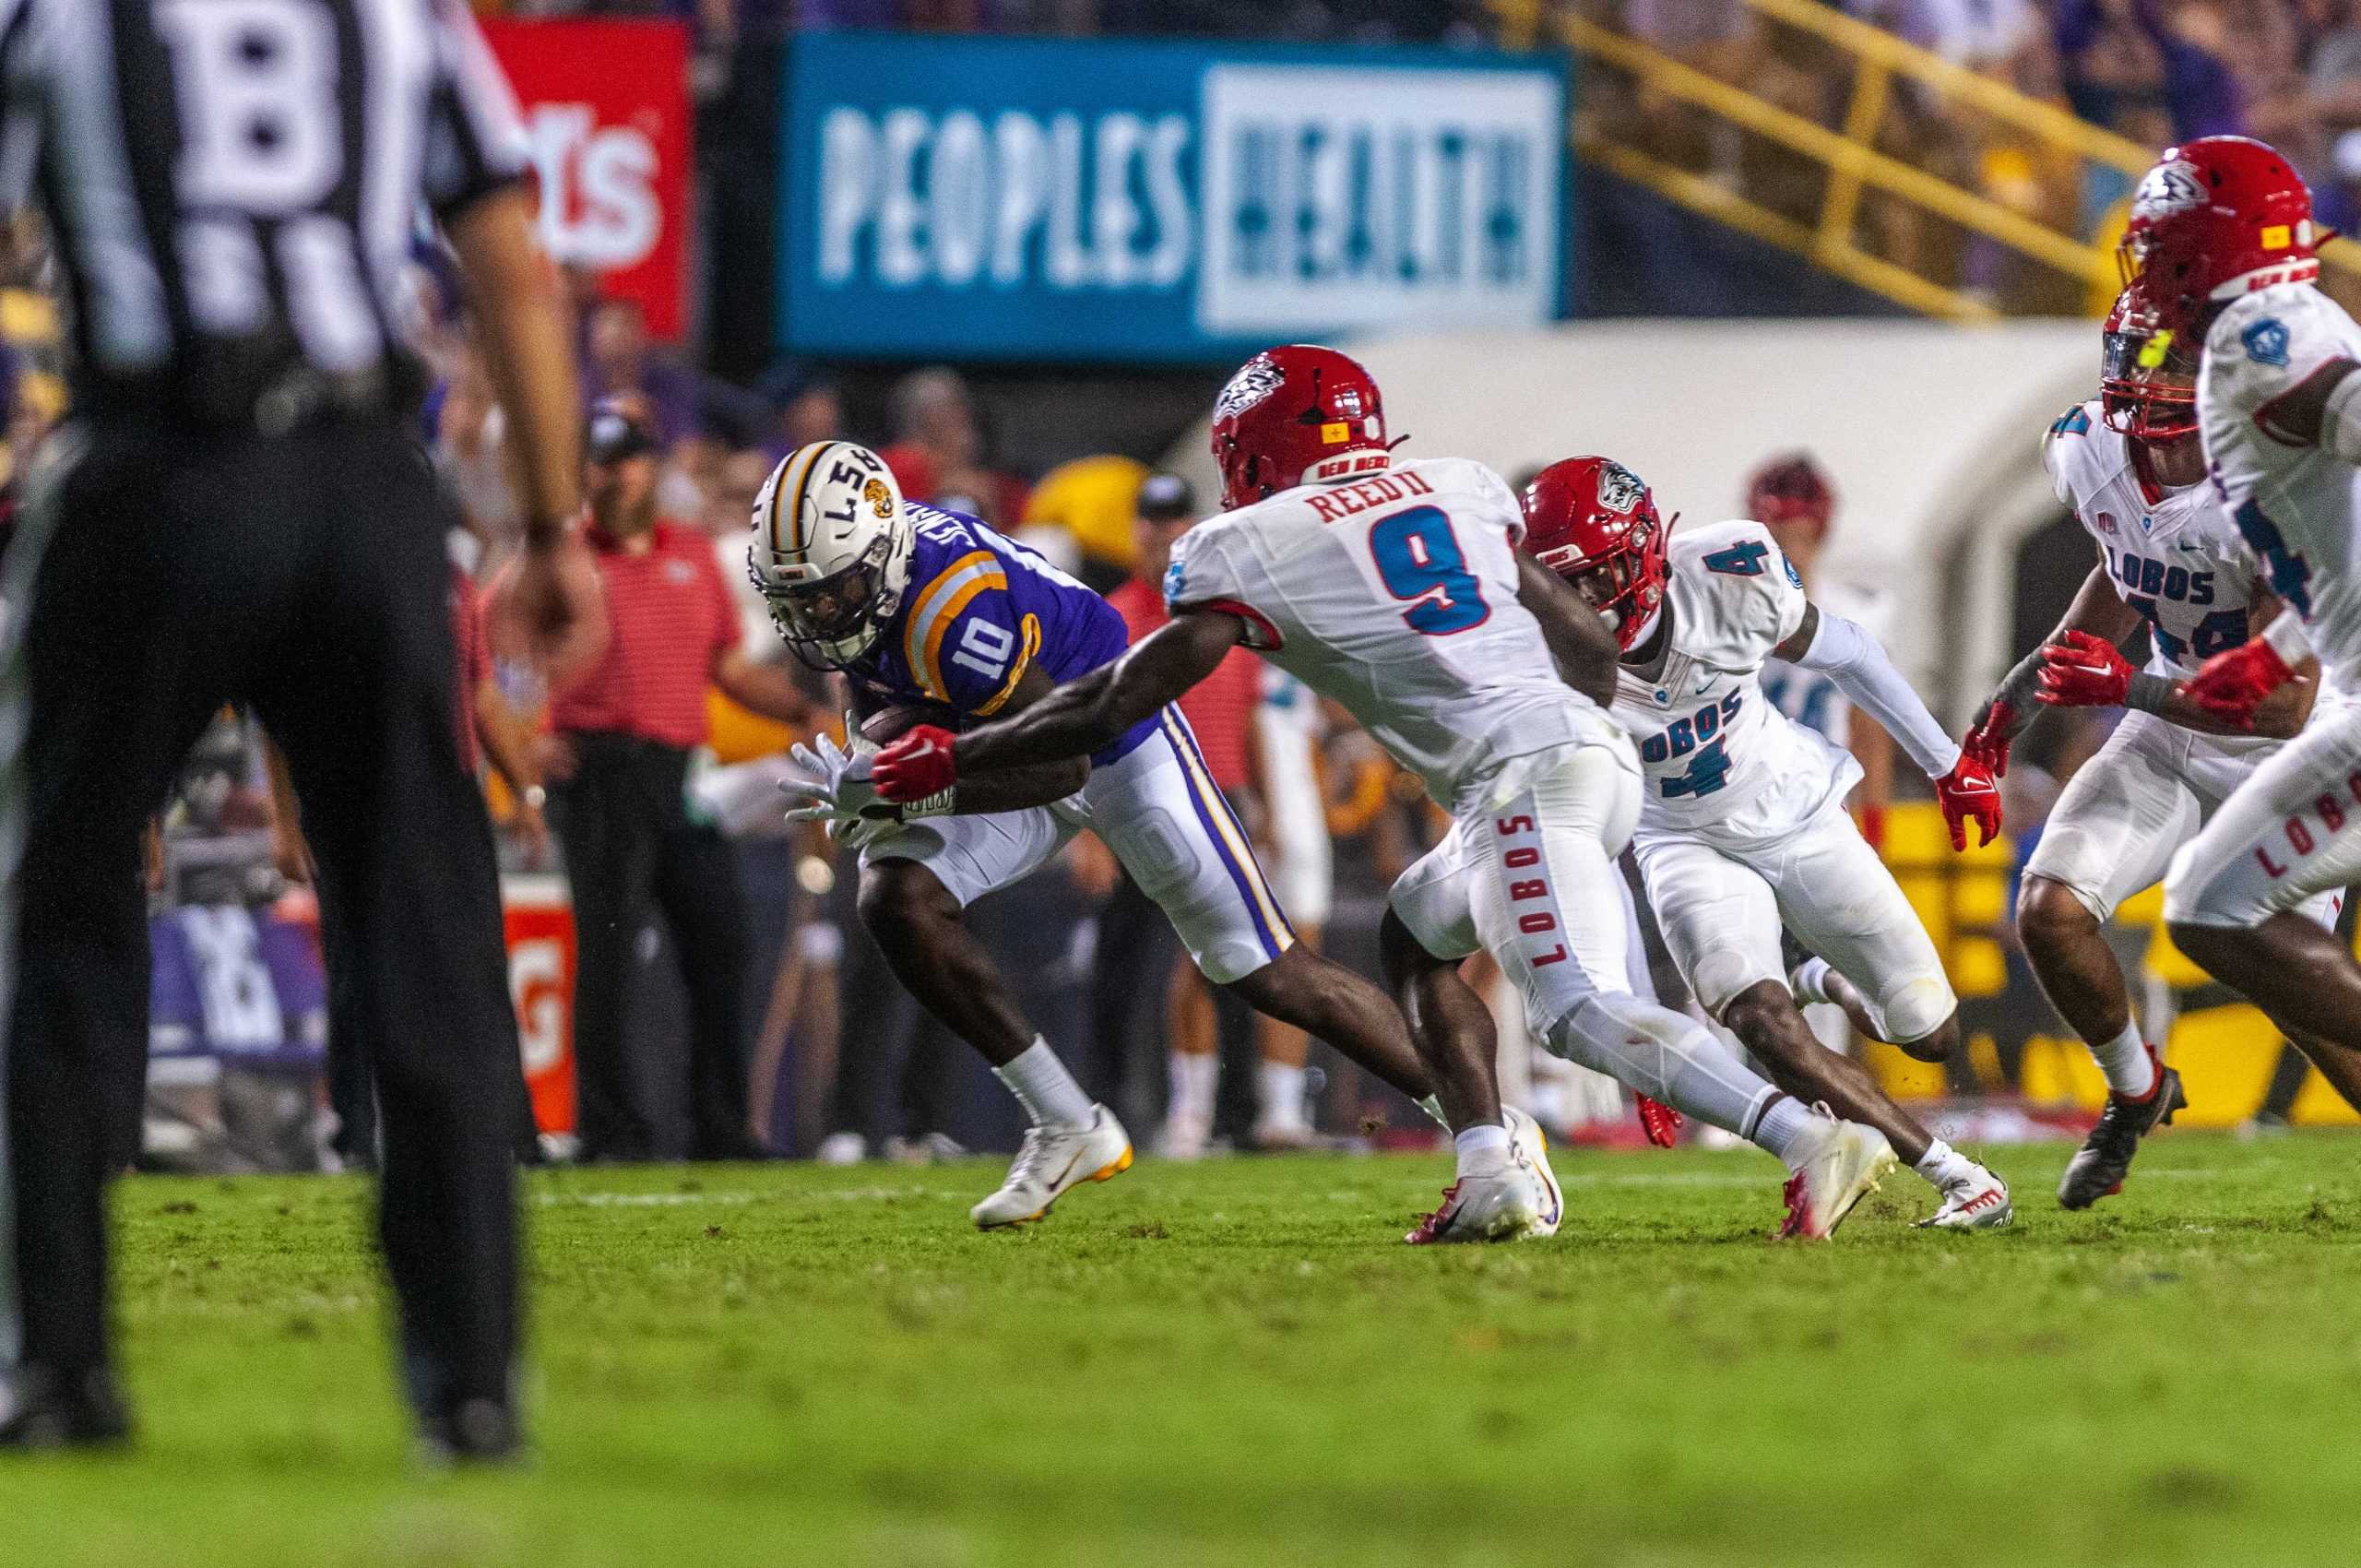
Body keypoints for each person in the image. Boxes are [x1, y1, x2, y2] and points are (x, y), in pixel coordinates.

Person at [871, 346, 1896, 1243]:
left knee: (1577, 1009)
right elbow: (1586, 642)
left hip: (1523, 774)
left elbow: (1114, 705)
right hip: (1577, 748)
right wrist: (1569, 744)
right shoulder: (1459, 485)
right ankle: (1493, 1164)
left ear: (1255, 453)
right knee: (1415, 935)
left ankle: (1808, 1136)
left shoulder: (1247, 542)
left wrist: (951, 763)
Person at [0, 0, 599, 1456]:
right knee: (425, 914)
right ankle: (470, 1381)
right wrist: (550, 524)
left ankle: (61, 1366)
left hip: (155, 468)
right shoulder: (397, 17)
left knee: (59, 908)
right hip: (364, 485)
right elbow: (511, 266)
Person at [753, 439, 1507, 1230]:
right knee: (897, 898)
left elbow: (1060, 765)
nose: (815, 616)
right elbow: (889, 703)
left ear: (880, 556)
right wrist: (879, 774)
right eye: (797, 598)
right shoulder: (873, 579)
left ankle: (1487, 1126)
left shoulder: (951, 606)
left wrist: (914, 786)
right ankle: (1067, 1124)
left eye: (831, 595)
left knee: (1264, 969)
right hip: (1000, 741)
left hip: (1115, 743)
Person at [1520, 457, 2012, 1229]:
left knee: (1927, 1031)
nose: (1579, 600)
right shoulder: (1532, 661)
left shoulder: (1727, 575)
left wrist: (1949, 766)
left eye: (1594, 574)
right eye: (1561, 581)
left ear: (1644, 551)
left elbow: (1849, 652)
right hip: (1678, 841)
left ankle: (1818, 977)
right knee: (1757, 1020)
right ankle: (1958, 1177)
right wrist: (1641, 1036)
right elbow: (1586, 840)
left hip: (1797, 809)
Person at [1963, 282, 2361, 1209]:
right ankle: (2135, 1090)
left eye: (2174, 358)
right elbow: (2121, 558)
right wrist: (2000, 716)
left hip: (2292, 755)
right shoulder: (2085, 448)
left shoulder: (2268, 482)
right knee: (2050, 914)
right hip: (2169, 731)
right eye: (2143, 354)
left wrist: (2121, 686)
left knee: (2313, 1018)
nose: (2153, 373)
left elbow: (2279, 708)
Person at [2103, 137, 2361, 1121]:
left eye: (2161, 245)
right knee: (2215, 902)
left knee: (2214, 903)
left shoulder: (2261, 338)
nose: (2146, 266)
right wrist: (2279, 648)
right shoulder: (2286, 321)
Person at [546, 401, 813, 1161]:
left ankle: (721, 1126)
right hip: (599, 766)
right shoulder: (560, 555)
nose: (614, 473)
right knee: (609, 952)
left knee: (720, 941)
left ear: (651, 465)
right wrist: (527, 742)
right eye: (600, 459)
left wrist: (800, 710)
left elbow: (725, 667)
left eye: (626, 456)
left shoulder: (693, 554)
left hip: (676, 772)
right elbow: (501, 649)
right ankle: (610, 1129)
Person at [1105, 472, 1272, 1157]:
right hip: (1137, 798)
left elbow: (1250, 716)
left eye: (1176, 519)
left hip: (1221, 795)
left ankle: (1240, 1115)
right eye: (1154, 519)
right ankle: (1111, 1112)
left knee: (1241, 963)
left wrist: (1262, 802)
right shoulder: (1115, 613)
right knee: (1126, 967)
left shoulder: (1220, 610)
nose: (1165, 531)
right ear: (1137, 529)